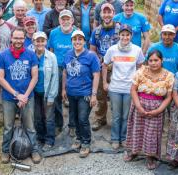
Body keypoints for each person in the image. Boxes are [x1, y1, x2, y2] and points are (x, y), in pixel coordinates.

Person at [0, 27, 42, 164]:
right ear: (11, 38)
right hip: (9, 98)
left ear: (24, 39)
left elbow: (35, 77)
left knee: (30, 125)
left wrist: (25, 96)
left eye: (21, 38)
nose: (18, 40)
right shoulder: (3, 55)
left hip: (28, 96)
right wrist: (17, 94)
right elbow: (0, 78)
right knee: (8, 126)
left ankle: (34, 150)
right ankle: (5, 151)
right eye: (15, 38)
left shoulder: (31, 54)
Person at [124, 50, 174, 170]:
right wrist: (139, 106)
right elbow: (133, 90)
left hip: (157, 109)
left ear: (162, 61)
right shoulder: (141, 71)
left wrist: (159, 110)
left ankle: (150, 156)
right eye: (150, 60)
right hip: (139, 105)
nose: (153, 63)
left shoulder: (169, 75)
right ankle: (134, 151)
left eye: (156, 60)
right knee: (137, 129)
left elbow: (168, 97)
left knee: (151, 134)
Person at [102, 24, 145, 150]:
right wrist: (105, 82)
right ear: (119, 35)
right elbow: (104, 65)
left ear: (131, 36)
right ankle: (115, 138)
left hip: (129, 89)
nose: (125, 37)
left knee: (126, 116)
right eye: (122, 34)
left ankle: (124, 138)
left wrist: (137, 83)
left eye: (127, 35)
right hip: (115, 88)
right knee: (116, 115)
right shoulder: (113, 49)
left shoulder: (137, 50)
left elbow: (141, 66)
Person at [62, 30, 100, 158]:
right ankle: (78, 138)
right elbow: (65, 72)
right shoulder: (68, 55)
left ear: (84, 41)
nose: (77, 41)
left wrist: (94, 94)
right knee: (74, 117)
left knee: (83, 118)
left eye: (80, 39)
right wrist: (63, 89)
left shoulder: (91, 56)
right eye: (75, 39)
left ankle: (86, 142)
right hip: (71, 93)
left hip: (85, 93)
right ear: (71, 41)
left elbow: (96, 75)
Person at [89, 3, 119, 131]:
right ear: (100, 14)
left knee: (116, 96)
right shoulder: (96, 31)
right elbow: (92, 50)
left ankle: (117, 122)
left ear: (114, 13)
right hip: (102, 67)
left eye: (109, 12)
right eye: (104, 12)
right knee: (101, 96)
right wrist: (99, 62)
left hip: (117, 68)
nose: (106, 15)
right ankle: (100, 118)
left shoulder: (121, 29)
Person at [48, 9, 77, 136]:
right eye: (63, 19)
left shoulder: (77, 33)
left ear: (72, 20)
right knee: (56, 97)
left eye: (68, 19)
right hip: (58, 68)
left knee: (73, 97)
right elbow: (50, 50)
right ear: (59, 20)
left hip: (73, 68)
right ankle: (58, 124)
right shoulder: (54, 33)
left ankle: (72, 125)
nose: (65, 21)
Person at [32, 31, 59, 151]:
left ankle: (49, 140)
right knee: (37, 117)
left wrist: (52, 96)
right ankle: (40, 137)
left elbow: (55, 77)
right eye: (37, 40)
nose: (40, 43)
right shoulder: (30, 55)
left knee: (49, 117)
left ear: (46, 42)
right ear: (33, 42)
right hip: (34, 93)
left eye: (42, 40)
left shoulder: (51, 57)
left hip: (47, 92)